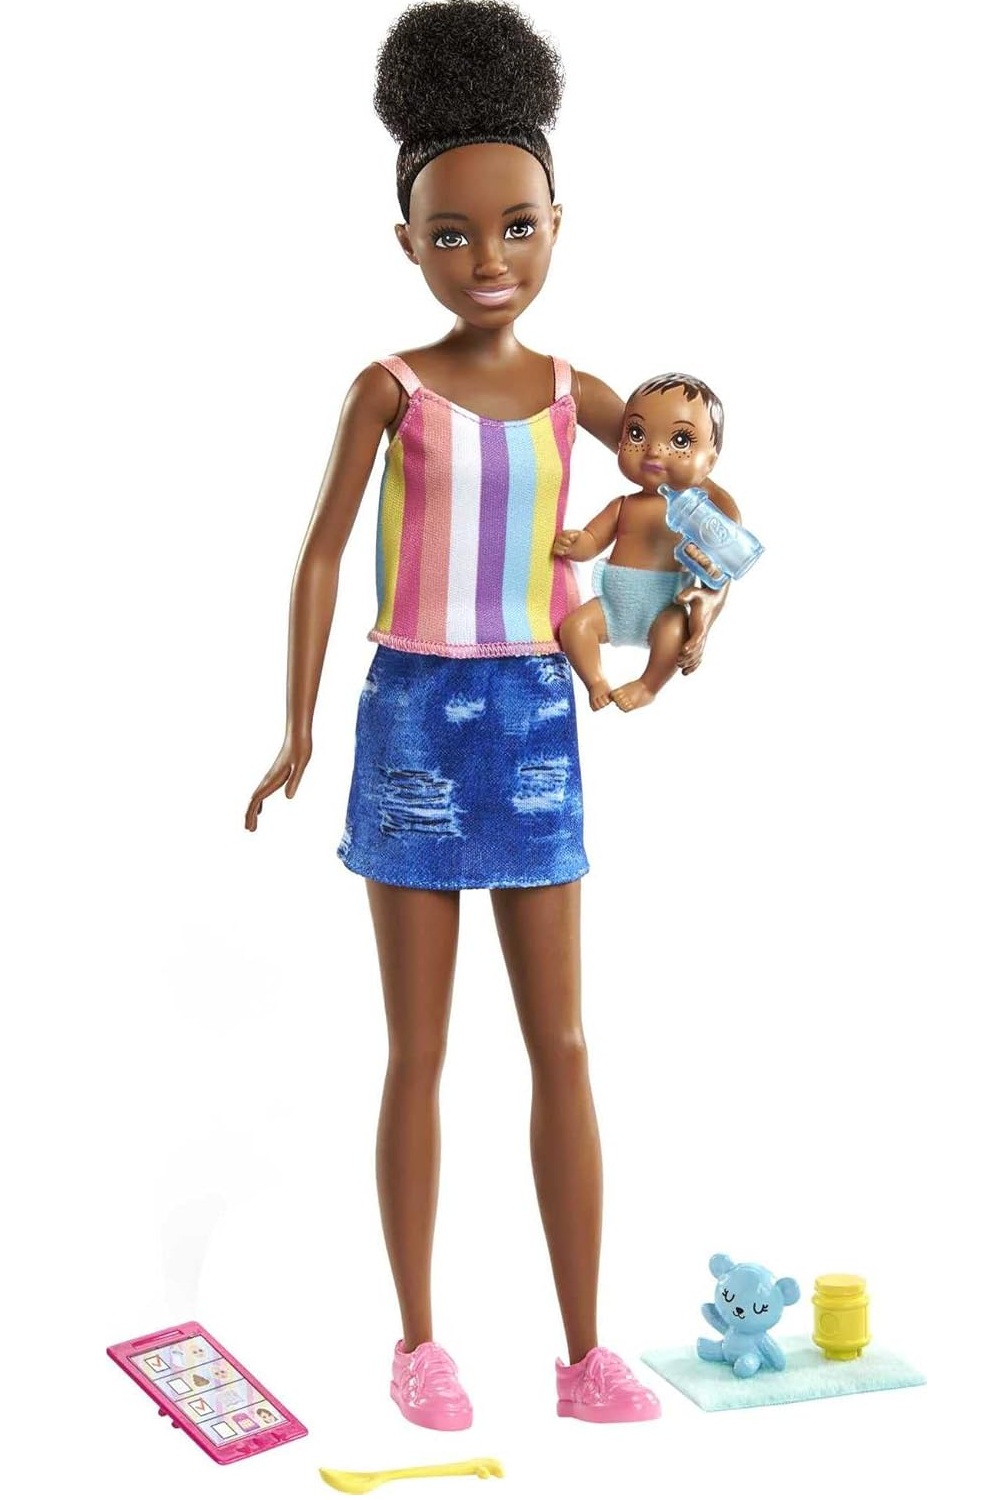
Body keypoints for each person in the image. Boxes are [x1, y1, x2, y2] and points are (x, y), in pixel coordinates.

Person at [245, 0, 736, 1429]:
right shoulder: (388, 389)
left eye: (517, 227)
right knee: (420, 1049)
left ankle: (584, 1354)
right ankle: (418, 1343)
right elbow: (321, 553)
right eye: (452, 234)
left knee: (562, 1043)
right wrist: (297, 725)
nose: (488, 259)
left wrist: (697, 594)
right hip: (412, 717)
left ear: (558, 224)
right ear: (406, 242)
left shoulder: (582, 397)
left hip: (532, 719)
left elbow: (682, 491)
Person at [555, 372, 733, 712]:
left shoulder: (697, 514)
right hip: (612, 607)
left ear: (709, 461)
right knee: (574, 627)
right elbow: (594, 538)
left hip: (663, 609)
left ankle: (648, 685)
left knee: (673, 632)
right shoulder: (624, 506)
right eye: (637, 434)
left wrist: (708, 562)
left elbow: (717, 566)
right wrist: (578, 545)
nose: (653, 450)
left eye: (680, 440)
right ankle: (595, 680)